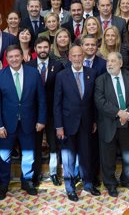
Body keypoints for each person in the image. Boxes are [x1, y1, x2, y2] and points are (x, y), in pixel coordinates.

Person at [0, 45, 46, 200]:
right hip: (6, 125)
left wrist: (41, 119)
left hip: (29, 122)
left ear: (22, 57)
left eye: (17, 56)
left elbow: (41, 99)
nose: (14, 59)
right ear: (7, 59)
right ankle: (3, 184)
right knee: (4, 155)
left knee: (29, 154)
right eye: (11, 57)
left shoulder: (33, 74)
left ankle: (27, 182)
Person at [53, 45, 99, 201]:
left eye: (80, 55)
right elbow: (57, 103)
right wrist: (59, 126)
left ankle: (88, 184)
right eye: (75, 55)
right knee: (68, 158)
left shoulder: (91, 73)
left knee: (86, 155)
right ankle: (70, 188)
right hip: (67, 124)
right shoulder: (61, 76)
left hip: (86, 123)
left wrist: (93, 120)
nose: (78, 58)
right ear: (70, 57)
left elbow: (93, 101)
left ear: (83, 57)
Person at [94, 51, 129, 197]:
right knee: (108, 156)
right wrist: (118, 113)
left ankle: (127, 180)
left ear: (121, 63)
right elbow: (100, 101)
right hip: (109, 123)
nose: (109, 64)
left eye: (113, 61)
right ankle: (110, 184)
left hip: (128, 122)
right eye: (108, 61)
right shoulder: (101, 79)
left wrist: (127, 114)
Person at [27, 37, 65, 187]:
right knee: (35, 144)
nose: (43, 50)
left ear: (50, 48)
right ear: (35, 49)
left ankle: (54, 173)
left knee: (53, 144)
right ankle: (35, 174)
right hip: (33, 112)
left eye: (45, 47)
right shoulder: (28, 66)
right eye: (40, 47)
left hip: (52, 112)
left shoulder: (58, 65)